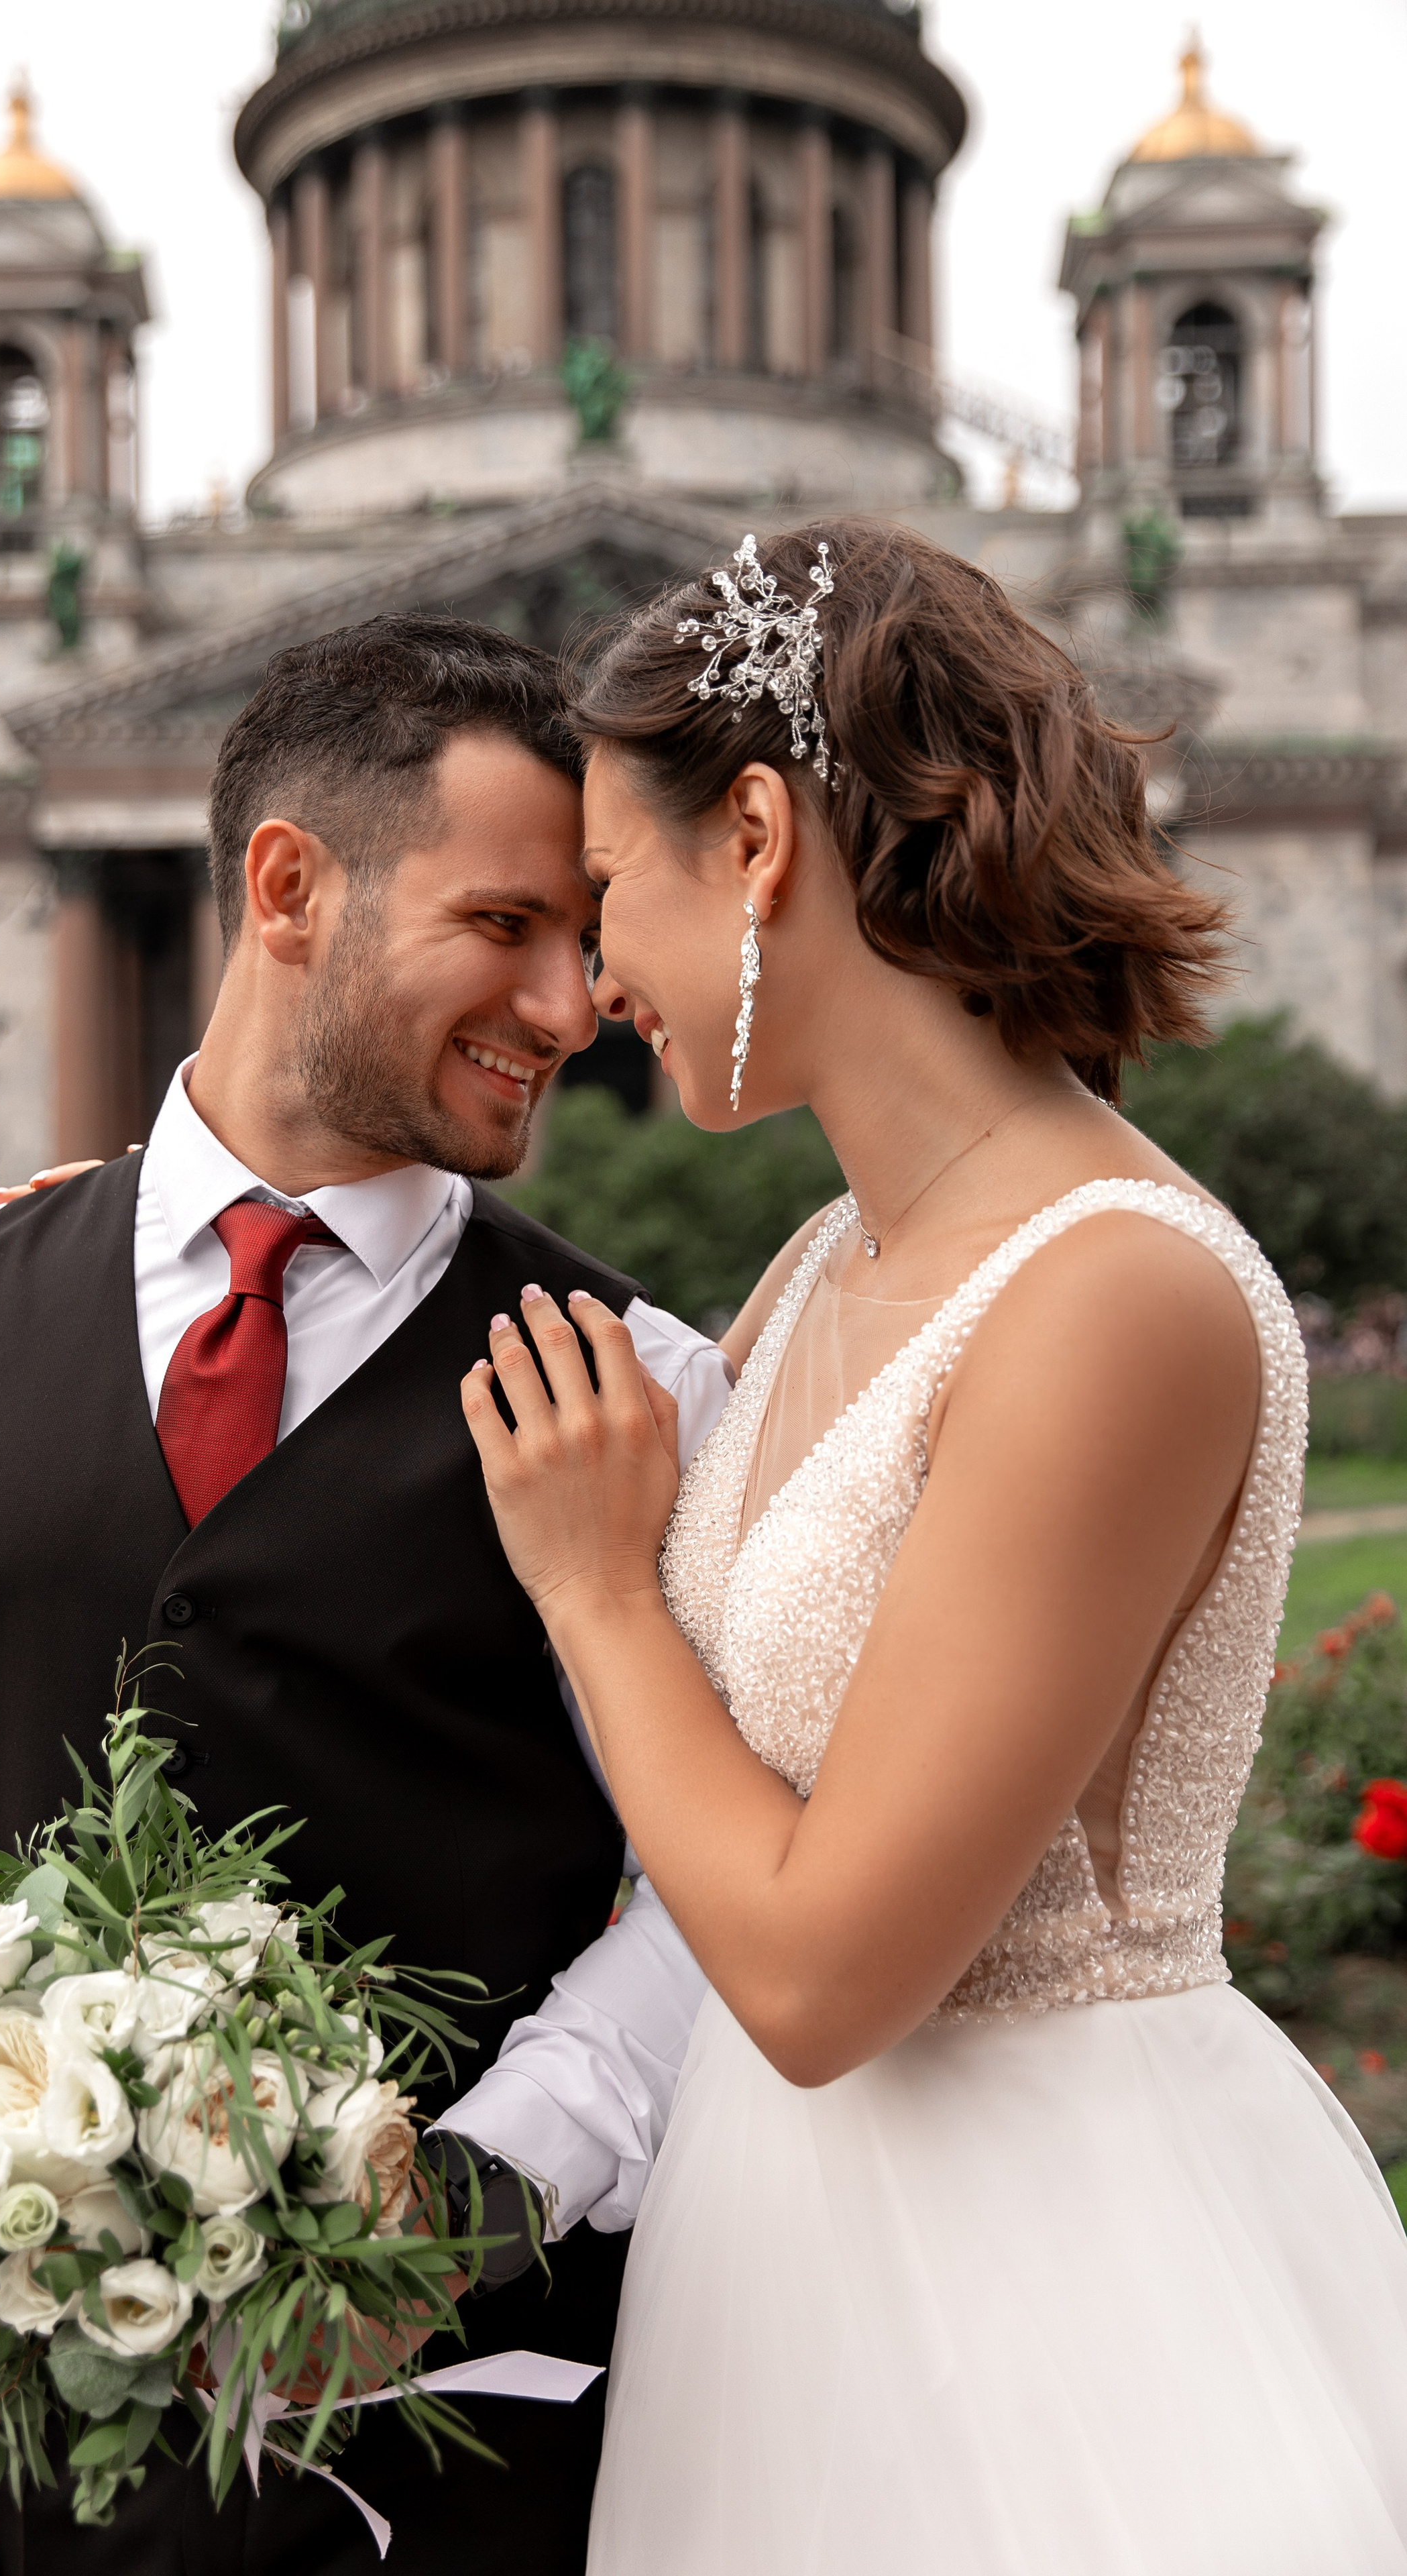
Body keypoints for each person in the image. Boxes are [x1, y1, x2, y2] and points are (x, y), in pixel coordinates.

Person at [461, 524, 1407, 2574]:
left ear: (759, 841)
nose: (595, 980)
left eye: (612, 891)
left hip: (1050, 2286)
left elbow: (820, 1974)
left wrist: (599, 1593)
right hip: (774, 2268)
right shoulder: (824, 1261)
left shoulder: (1113, 1293)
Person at [0, 615, 730, 2576]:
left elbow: (711, 1896)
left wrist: (466, 2207)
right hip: (44, 2429)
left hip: (472, 2433)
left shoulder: (637, 1383)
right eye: (506, 925)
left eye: (586, 938)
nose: (570, 1005)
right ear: (290, 887)